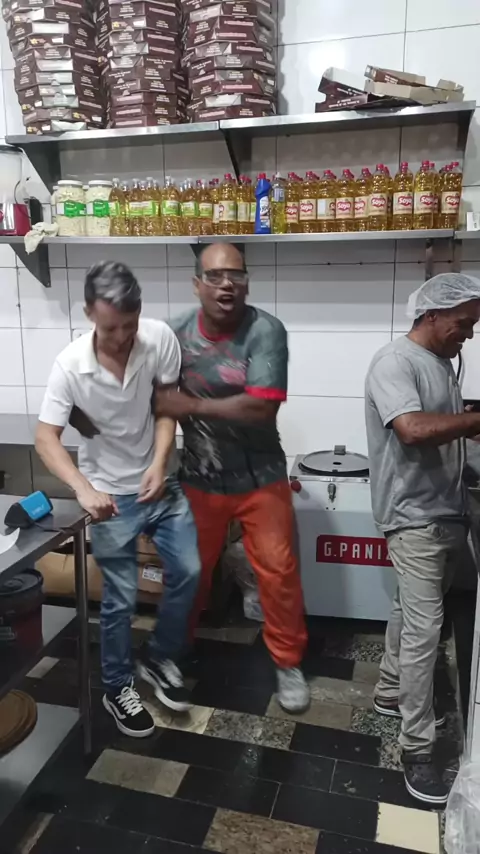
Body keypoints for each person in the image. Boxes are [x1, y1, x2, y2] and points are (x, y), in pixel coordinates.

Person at [35, 261, 201, 738]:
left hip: (159, 485)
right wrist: (84, 488)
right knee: (120, 599)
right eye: (112, 328)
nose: (124, 337)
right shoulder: (71, 365)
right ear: (90, 313)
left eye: (130, 324)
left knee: (190, 569)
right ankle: (116, 687)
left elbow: (166, 408)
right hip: (109, 494)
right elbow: (46, 437)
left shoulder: (158, 339)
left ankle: (159, 656)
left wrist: (160, 462)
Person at [155, 242, 310, 714]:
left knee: (278, 572)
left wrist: (191, 404)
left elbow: (262, 407)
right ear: (196, 283)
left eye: (236, 275)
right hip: (198, 477)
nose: (227, 284)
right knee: (187, 572)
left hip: (261, 476)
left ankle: (287, 661)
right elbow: (159, 402)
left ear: (246, 282)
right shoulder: (174, 334)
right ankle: (172, 652)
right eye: (215, 275)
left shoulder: (265, 330)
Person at [365, 272, 480, 806]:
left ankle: (390, 692)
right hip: (413, 516)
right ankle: (417, 750)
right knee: (425, 632)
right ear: (432, 315)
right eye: (464, 323)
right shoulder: (395, 362)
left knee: (410, 611)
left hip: (441, 511)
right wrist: (472, 422)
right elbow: (411, 429)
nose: (470, 334)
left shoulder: (440, 362)